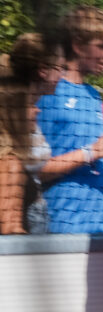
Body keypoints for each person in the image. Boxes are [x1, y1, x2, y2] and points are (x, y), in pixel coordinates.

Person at [36, 5, 103, 233]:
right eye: (102, 46)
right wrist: (92, 151)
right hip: (65, 225)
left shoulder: (94, 96)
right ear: (77, 44)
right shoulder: (48, 92)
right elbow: (36, 169)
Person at [0, 34, 63, 234]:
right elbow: (12, 234)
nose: (62, 75)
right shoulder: (10, 162)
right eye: (60, 68)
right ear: (43, 71)